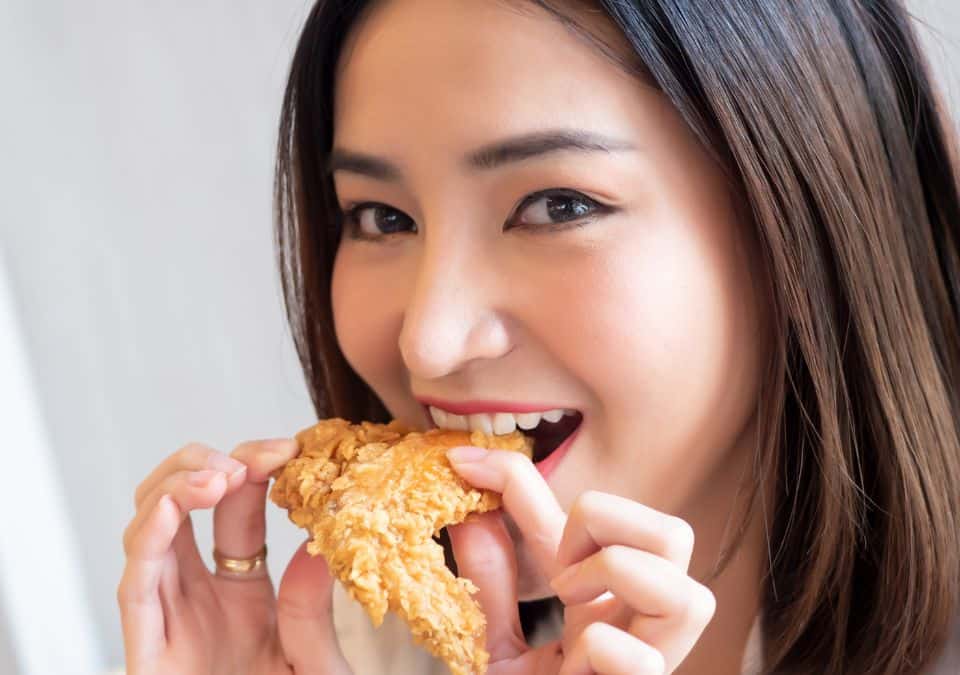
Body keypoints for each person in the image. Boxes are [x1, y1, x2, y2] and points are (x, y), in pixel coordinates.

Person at [116, 0, 960, 672]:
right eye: (382, 217)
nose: (429, 343)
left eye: (560, 205)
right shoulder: (334, 647)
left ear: (803, 220)